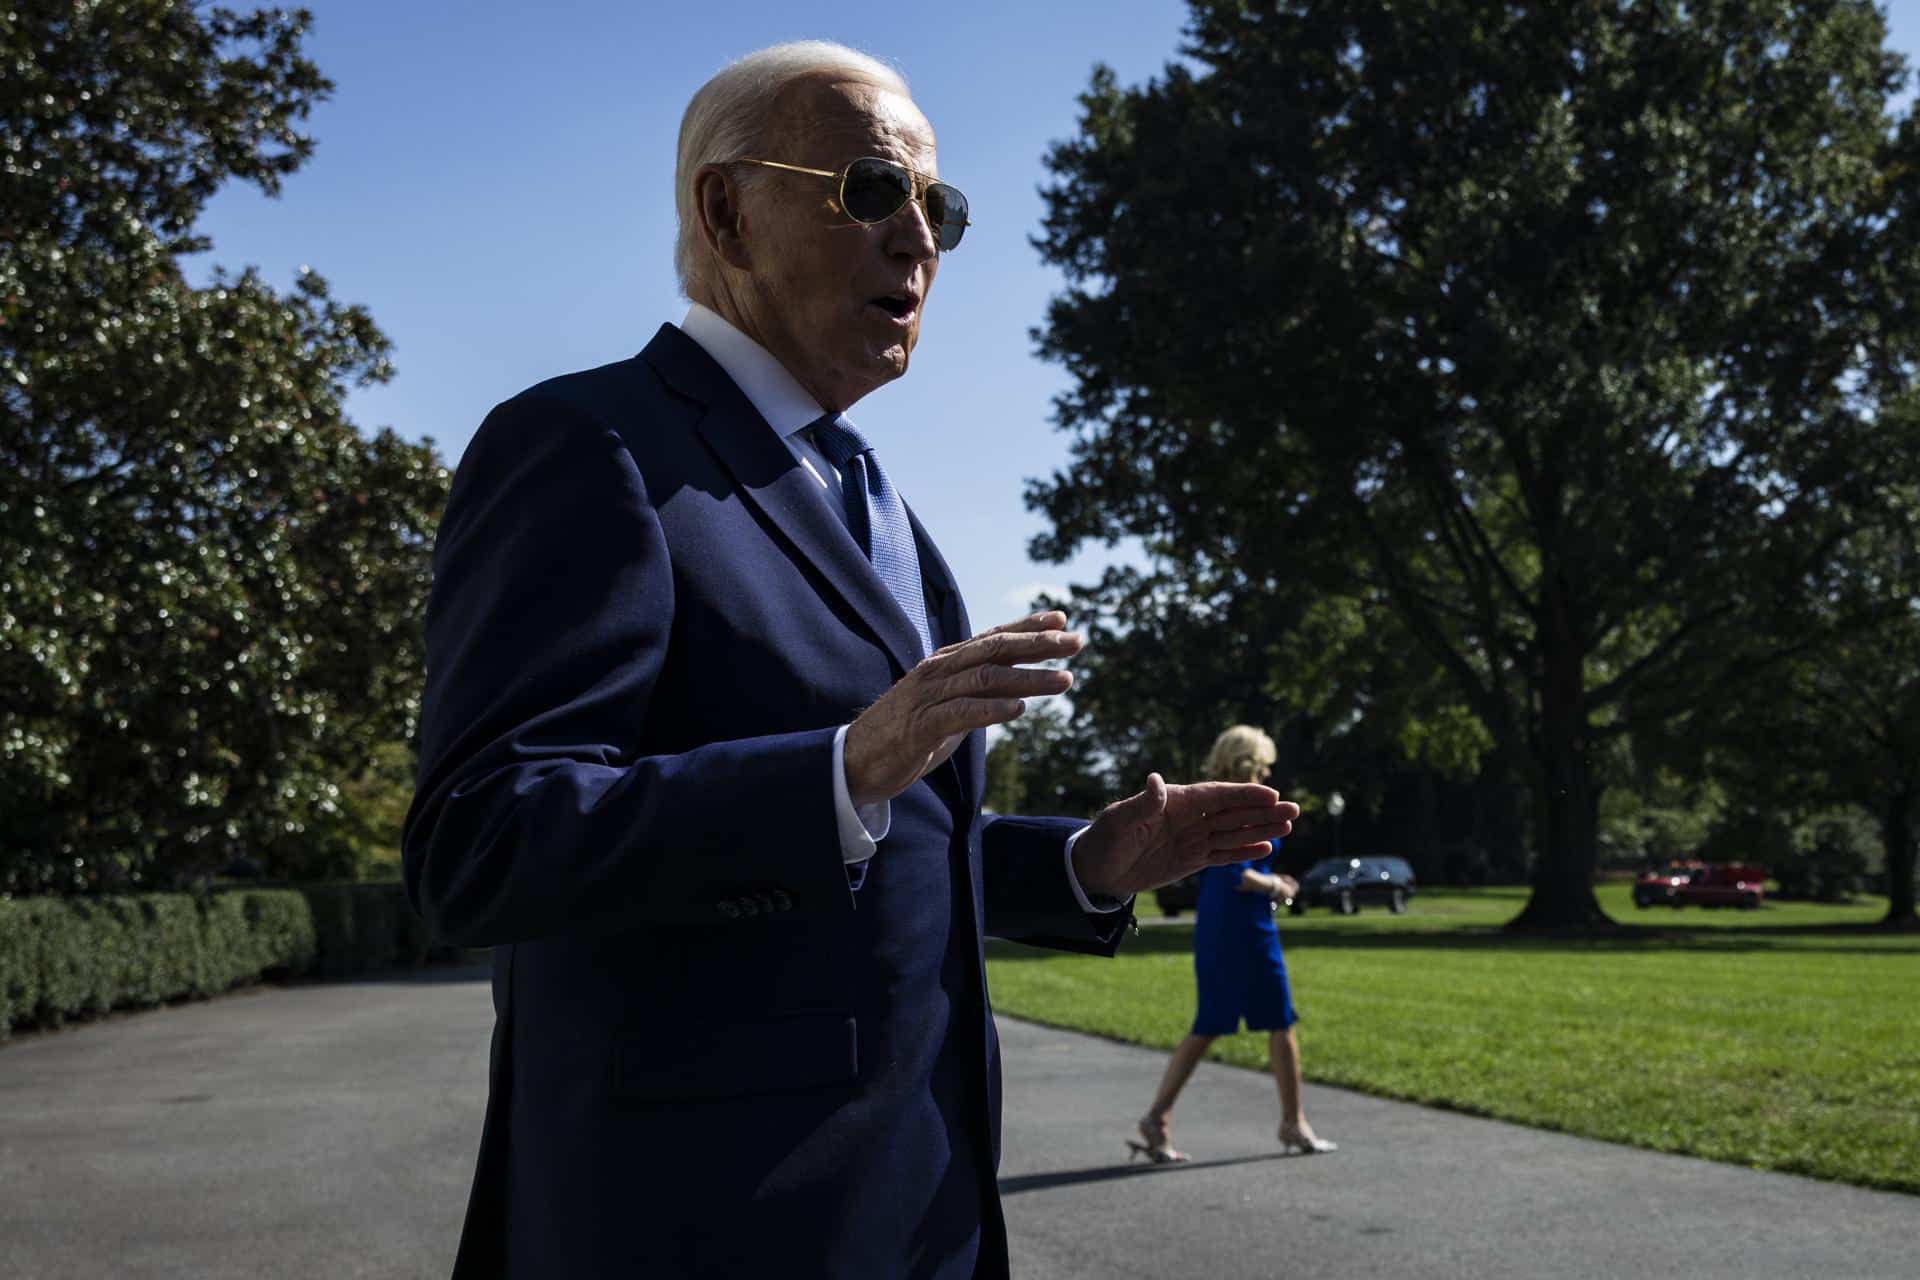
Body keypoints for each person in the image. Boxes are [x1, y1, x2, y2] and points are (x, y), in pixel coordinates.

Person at [401, 41, 1299, 1280]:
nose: (916, 241)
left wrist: (1087, 863)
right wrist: (843, 763)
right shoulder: (587, 447)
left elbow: (889, 844)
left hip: (917, 1210)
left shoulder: (879, 503)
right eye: (873, 192)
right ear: (725, 210)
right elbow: (480, 842)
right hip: (701, 1226)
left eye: (941, 210)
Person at [1129, 725, 1335, 1165]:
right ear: (1251, 760)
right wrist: (1275, 884)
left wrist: (1273, 883)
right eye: (1265, 760)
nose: (1269, 767)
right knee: (1271, 1019)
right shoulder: (1241, 802)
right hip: (1241, 927)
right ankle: (1291, 1122)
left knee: (1221, 1023)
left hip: (1231, 922)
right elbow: (1233, 874)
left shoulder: (1225, 801)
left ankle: (1158, 1118)